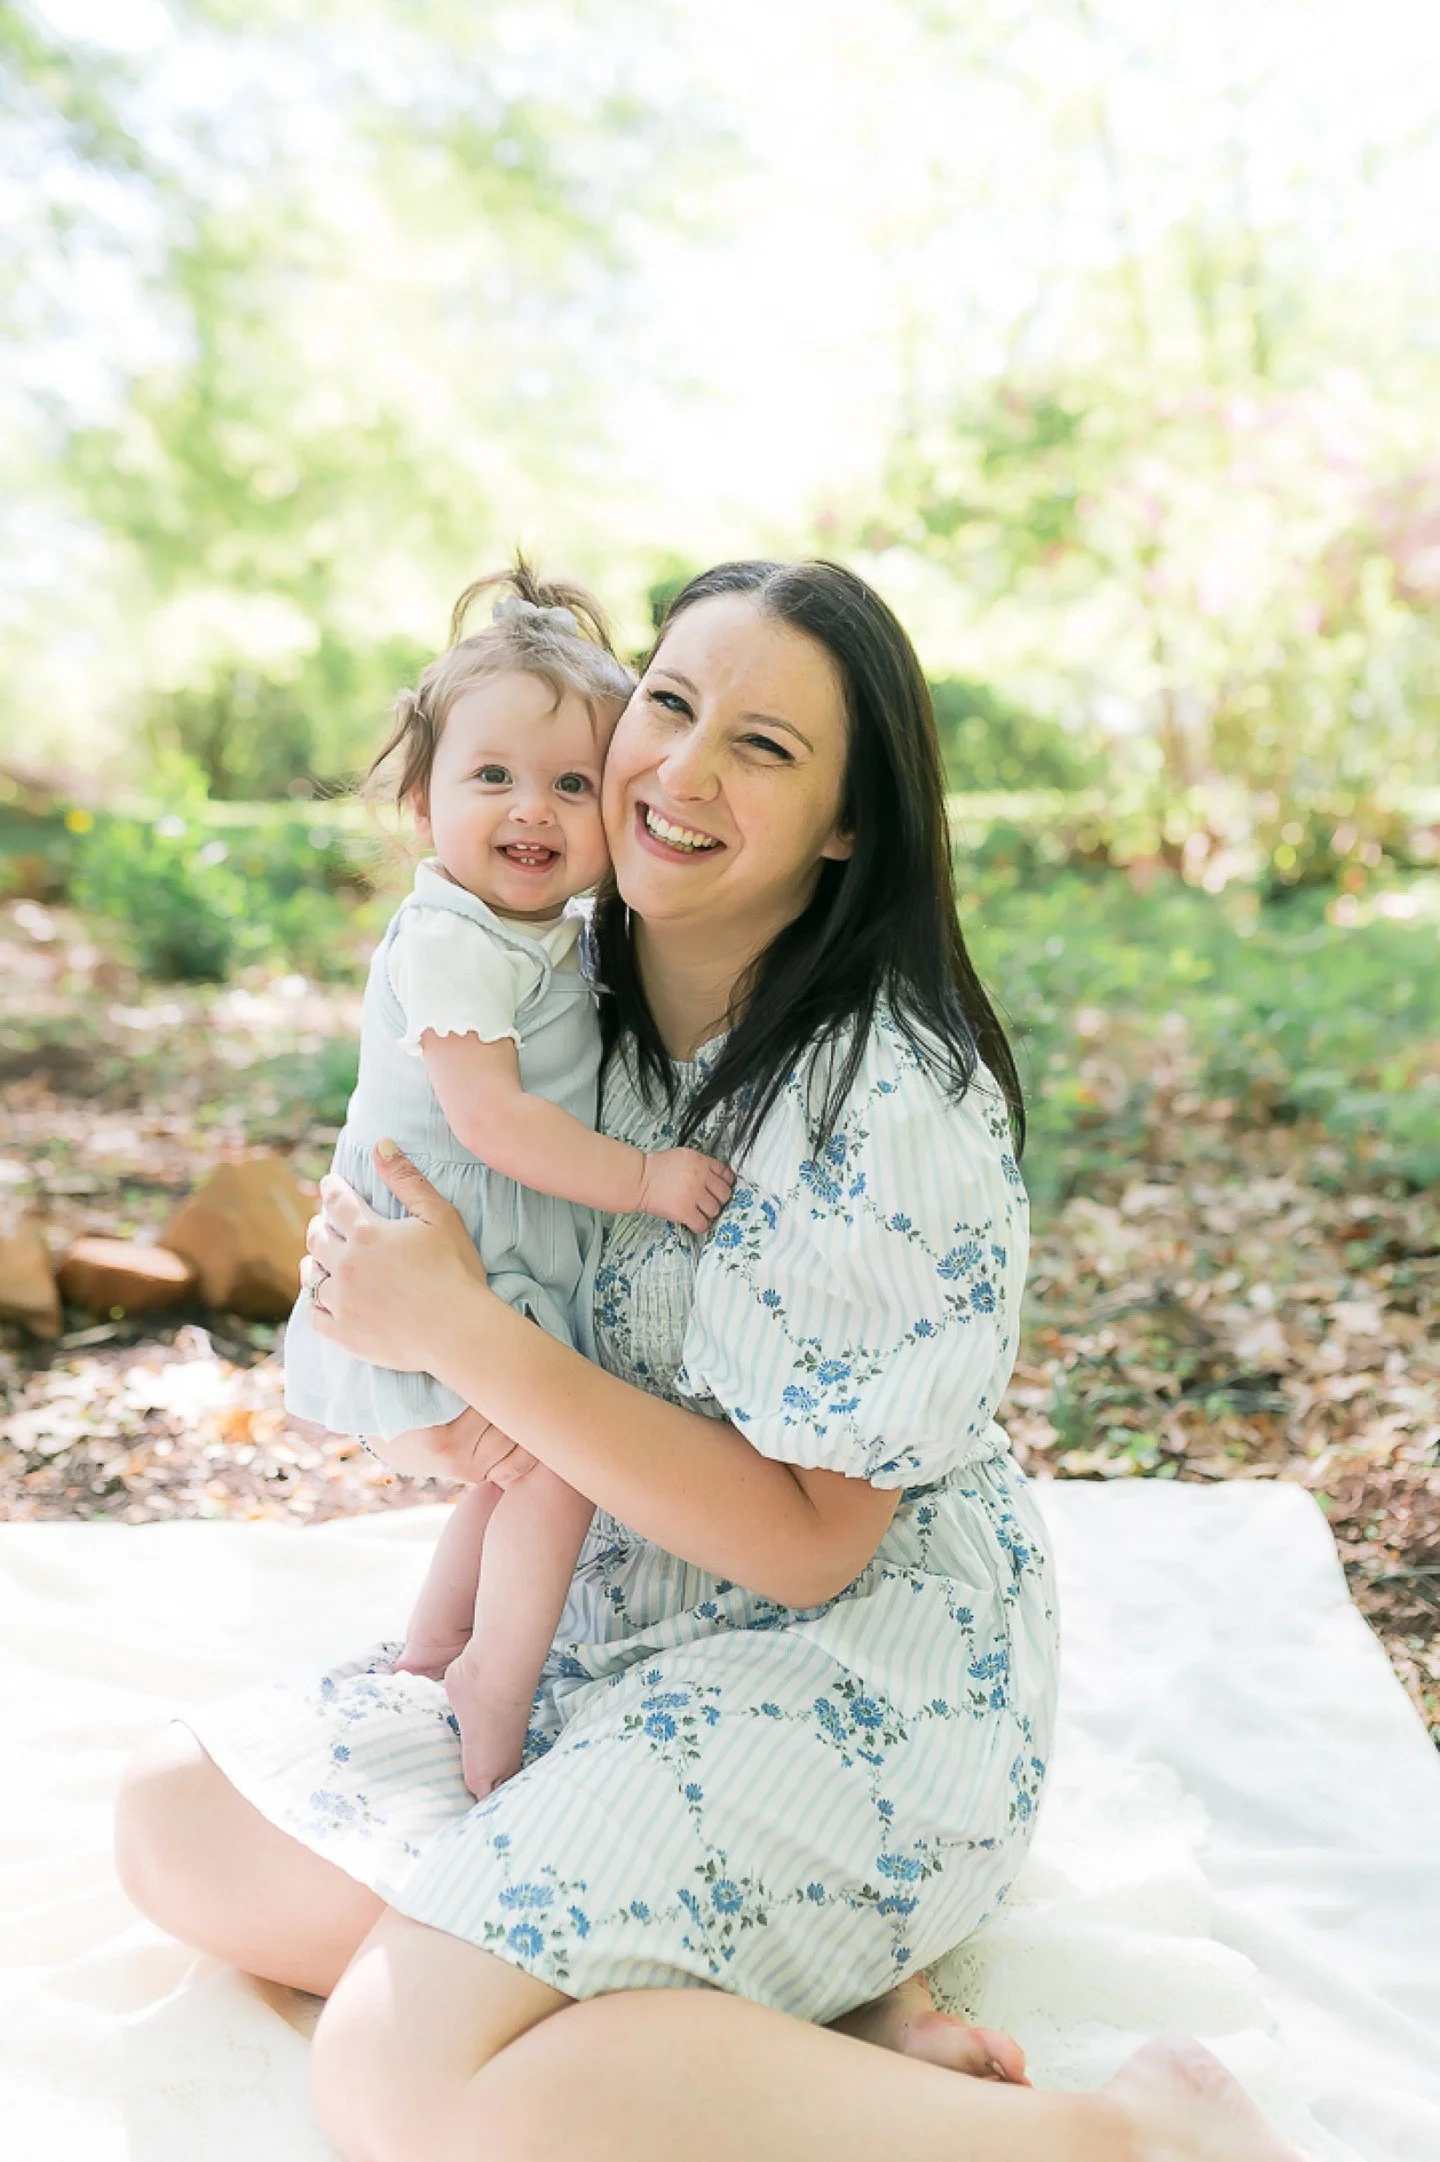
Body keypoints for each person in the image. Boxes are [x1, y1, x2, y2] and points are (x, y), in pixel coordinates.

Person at [115, 559, 1304, 2162]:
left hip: (847, 1664)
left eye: (765, 745)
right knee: (175, 1819)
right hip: (614, 1621)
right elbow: (453, 1251)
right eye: (669, 703)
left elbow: (812, 1544)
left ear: (846, 825)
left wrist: (467, 1329)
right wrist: (402, 1328)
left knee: (403, 2076)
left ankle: (1117, 2135)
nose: (680, 768)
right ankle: (810, 2014)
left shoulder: (885, 1098)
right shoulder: (552, 969)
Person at [283, 561, 733, 1796]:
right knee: (554, 1465)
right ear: (423, 804)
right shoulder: (449, 940)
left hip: (494, 1268)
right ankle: (495, 1673)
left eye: (571, 783)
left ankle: (434, 1647)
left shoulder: (545, 934)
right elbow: (490, 1122)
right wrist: (645, 1178)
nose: (531, 807)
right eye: (493, 777)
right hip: (437, 1267)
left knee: (517, 1466)